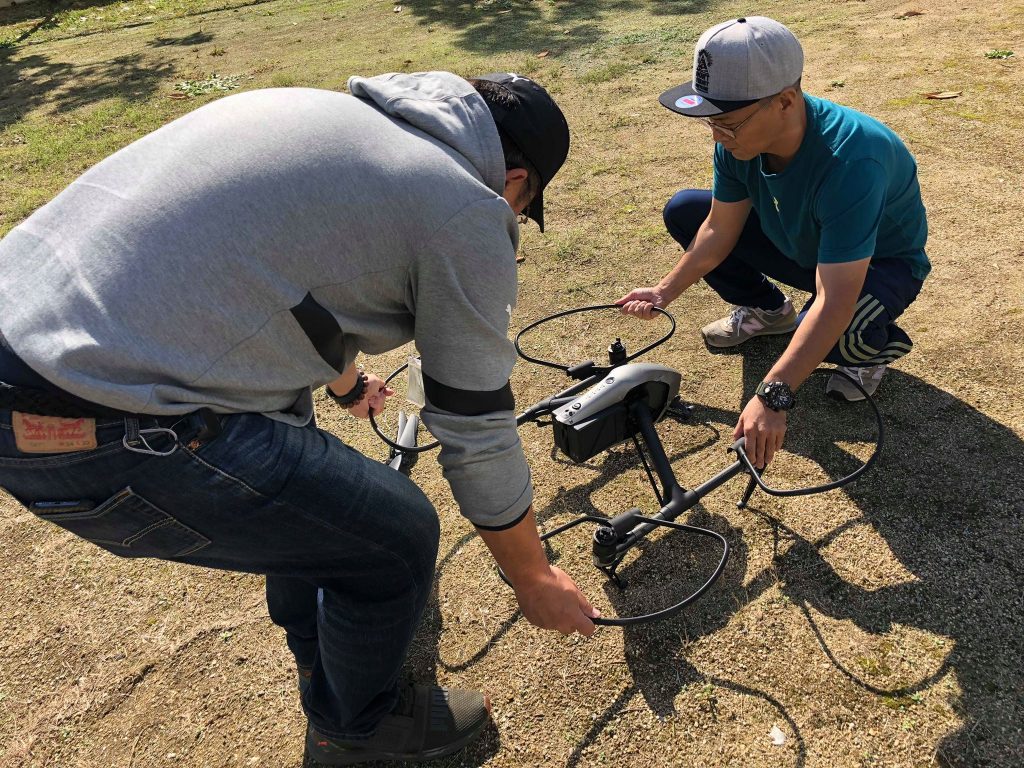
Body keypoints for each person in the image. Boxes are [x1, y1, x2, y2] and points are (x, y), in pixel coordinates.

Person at [0, 71, 600, 766]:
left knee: (317, 497)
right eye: (524, 210)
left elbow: (280, 284)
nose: (514, 223)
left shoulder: (320, 117)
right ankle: (357, 730)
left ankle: (324, 663)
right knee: (394, 535)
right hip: (95, 417)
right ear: (515, 180)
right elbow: (474, 421)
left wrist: (346, 386)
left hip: (28, 342)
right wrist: (533, 576)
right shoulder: (464, 207)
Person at [618, 16, 929, 469]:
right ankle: (769, 311)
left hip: (878, 265)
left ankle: (870, 350)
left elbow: (836, 298)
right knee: (686, 210)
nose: (716, 135)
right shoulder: (736, 142)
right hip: (809, 243)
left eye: (727, 123)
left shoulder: (853, 160)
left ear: (785, 101)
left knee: (839, 329)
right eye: (710, 121)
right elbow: (717, 230)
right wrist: (663, 291)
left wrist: (774, 393)